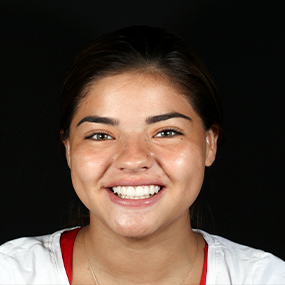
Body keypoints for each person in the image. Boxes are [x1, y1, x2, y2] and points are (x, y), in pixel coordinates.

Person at [0, 26, 284, 285]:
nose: (133, 159)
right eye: (100, 135)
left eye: (166, 132)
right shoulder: (11, 273)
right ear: (69, 150)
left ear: (210, 143)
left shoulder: (266, 278)